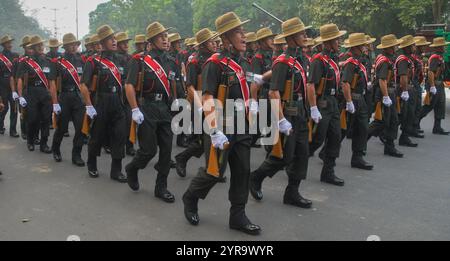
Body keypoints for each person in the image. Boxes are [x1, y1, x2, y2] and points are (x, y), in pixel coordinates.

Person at [182, 12, 261, 235]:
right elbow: (207, 98)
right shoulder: (214, 64)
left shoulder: (243, 62)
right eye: (238, 32)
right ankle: (190, 197)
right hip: (221, 126)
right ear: (226, 39)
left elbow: (247, 89)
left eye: (243, 31)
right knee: (214, 172)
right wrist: (215, 130)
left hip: (242, 125)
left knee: (243, 170)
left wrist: (252, 106)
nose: (244, 36)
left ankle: (238, 215)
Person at [250, 17, 313, 208]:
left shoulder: (299, 58)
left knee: (302, 154)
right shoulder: (284, 61)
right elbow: (273, 91)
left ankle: (292, 193)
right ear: (292, 38)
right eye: (301, 33)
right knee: (284, 156)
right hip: (287, 112)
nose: (305, 36)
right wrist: (282, 120)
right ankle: (256, 177)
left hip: (300, 111)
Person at [124, 21, 182, 203]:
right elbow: (129, 85)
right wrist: (134, 109)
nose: (166, 40)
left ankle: (161, 187)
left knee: (166, 151)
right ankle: (133, 168)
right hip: (147, 108)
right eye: (161, 37)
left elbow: (176, 85)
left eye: (166, 36)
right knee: (148, 150)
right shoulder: (139, 61)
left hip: (165, 108)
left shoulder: (172, 61)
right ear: (151, 40)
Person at [79, 25, 127, 183]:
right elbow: (84, 85)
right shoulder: (93, 62)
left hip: (117, 101)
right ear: (102, 43)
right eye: (110, 39)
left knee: (119, 136)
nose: (114, 42)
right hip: (101, 101)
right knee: (97, 136)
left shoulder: (121, 60)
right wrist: (89, 105)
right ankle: (92, 164)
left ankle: (116, 170)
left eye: (115, 39)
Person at [174, 28, 218, 178]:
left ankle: (213, 167)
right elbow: (190, 86)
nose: (215, 44)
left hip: (214, 101)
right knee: (201, 140)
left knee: (214, 136)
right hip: (200, 103)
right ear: (204, 44)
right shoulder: (194, 61)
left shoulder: (216, 59)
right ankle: (185, 159)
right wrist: (200, 106)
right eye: (212, 41)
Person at [307, 24, 347, 186]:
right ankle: (295, 161)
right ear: (329, 41)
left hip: (332, 103)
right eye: (336, 39)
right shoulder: (318, 61)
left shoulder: (333, 59)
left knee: (335, 137)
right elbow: (311, 85)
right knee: (316, 139)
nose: (339, 42)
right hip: (321, 103)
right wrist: (314, 107)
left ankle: (328, 172)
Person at [50, 33, 86, 166]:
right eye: (71, 44)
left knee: (80, 128)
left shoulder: (81, 60)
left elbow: (84, 81)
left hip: (78, 97)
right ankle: (56, 149)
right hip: (64, 97)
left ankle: (76, 155)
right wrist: (55, 103)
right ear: (65, 46)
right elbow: (52, 83)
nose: (74, 46)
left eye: (75, 44)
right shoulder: (58, 62)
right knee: (62, 127)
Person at [16, 35, 55, 153]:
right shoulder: (26, 62)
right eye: (37, 45)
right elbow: (19, 79)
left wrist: (54, 99)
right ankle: (30, 140)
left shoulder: (48, 62)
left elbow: (52, 81)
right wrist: (20, 96)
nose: (40, 47)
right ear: (32, 47)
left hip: (45, 93)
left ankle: (44, 143)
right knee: (32, 119)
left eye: (41, 45)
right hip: (31, 92)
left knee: (46, 119)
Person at [340, 33, 374, 170]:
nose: (364, 47)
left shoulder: (360, 61)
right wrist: (348, 102)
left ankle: (357, 158)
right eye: (362, 45)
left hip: (361, 99)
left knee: (362, 128)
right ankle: (326, 153)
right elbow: (345, 83)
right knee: (342, 130)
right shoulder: (351, 63)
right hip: (352, 99)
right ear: (356, 47)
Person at [368, 34, 404, 157]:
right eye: (394, 45)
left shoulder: (387, 59)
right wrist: (386, 96)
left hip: (389, 92)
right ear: (388, 47)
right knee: (381, 122)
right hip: (385, 93)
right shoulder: (385, 61)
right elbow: (382, 80)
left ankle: (390, 146)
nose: (396, 47)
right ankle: (361, 140)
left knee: (393, 120)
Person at [420, 37, 450, 135]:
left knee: (440, 105)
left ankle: (437, 127)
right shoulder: (435, 58)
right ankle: (415, 122)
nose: (445, 47)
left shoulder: (440, 57)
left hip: (439, 83)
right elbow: (431, 73)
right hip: (435, 84)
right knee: (429, 106)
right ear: (439, 47)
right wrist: (432, 86)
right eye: (443, 46)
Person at [395, 35, 421, 147]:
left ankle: (404, 137)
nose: (415, 47)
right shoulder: (403, 60)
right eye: (413, 45)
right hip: (403, 90)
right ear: (407, 47)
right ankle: (384, 133)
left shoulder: (409, 59)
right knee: (401, 114)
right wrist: (405, 90)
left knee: (409, 114)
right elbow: (403, 77)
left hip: (409, 88)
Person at [116, 31, 136, 157]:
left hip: (128, 92)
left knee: (130, 120)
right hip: (117, 93)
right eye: (123, 43)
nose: (126, 45)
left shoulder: (131, 58)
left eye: (126, 42)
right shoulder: (114, 58)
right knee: (117, 122)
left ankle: (129, 145)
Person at [0, 35, 19, 137]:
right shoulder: (0, 56)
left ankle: (13, 130)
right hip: (2, 83)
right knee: (4, 107)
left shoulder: (15, 55)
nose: (9, 45)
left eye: (10, 43)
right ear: (3, 45)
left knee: (14, 108)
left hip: (13, 84)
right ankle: (1, 126)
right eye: (7, 43)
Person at [411, 36, 430, 133]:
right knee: (414, 107)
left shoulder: (419, 57)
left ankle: (415, 126)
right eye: (422, 46)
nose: (424, 47)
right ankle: (412, 127)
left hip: (417, 83)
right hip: (413, 83)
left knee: (418, 106)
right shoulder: (413, 58)